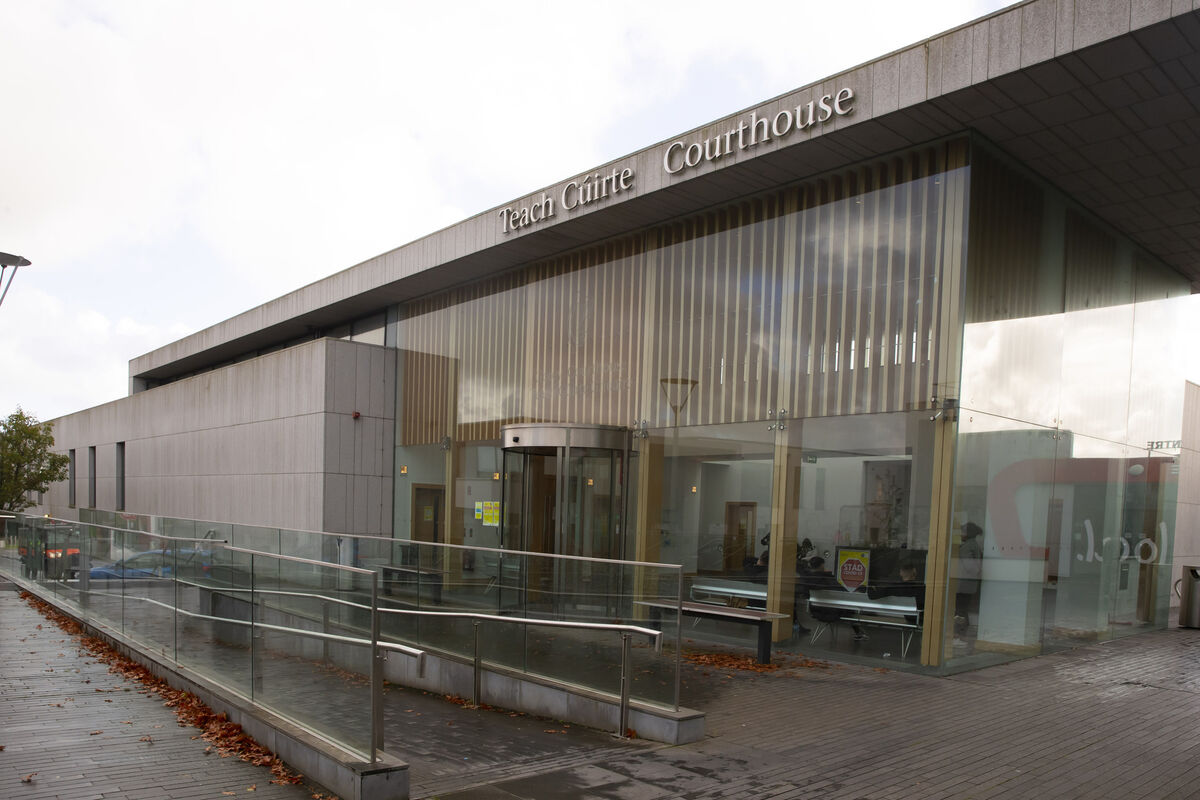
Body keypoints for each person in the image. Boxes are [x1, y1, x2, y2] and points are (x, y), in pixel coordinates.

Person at [955, 522, 983, 635]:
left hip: (964, 584)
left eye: (962, 532)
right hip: (968, 584)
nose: (960, 534)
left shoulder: (967, 546)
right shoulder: (973, 544)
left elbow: (970, 566)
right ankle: (961, 634)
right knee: (963, 609)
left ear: (968, 534)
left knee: (960, 611)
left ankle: (959, 635)